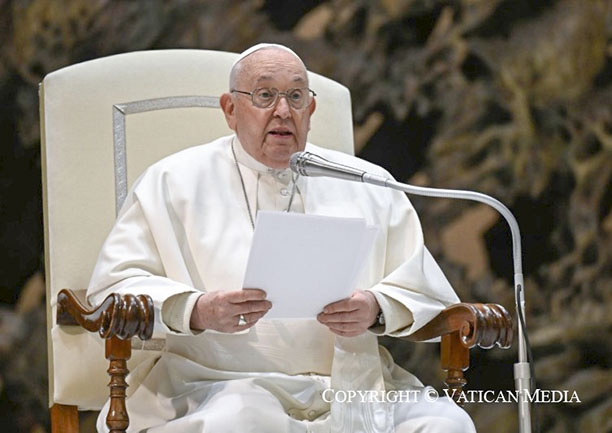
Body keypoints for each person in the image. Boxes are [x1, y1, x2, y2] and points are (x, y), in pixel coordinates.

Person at [87, 43, 476, 433]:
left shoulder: (367, 183)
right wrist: (197, 310)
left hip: (352, 387)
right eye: (264, 95)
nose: (283, 111)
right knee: (239, 422)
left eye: (295, 96)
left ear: (311, 110)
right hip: (216, 385)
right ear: (230, 109)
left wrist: (375, 308)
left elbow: (426, 290)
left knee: (447, 424)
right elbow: (113, 288)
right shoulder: (173, 181)